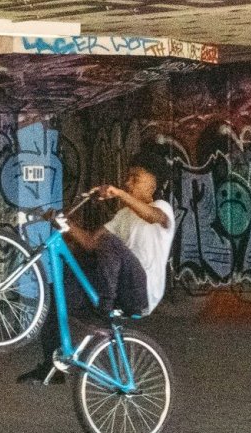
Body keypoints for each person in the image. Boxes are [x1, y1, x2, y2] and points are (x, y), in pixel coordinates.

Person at [17, 150, 175, 385]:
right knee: (54, 294)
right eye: (127, 178)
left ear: (153, 184)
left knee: (109, 242)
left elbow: (153, 217)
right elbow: (91, 241)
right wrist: (64, 223)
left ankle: (105, 303)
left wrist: (119, 193)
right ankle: (52, 365)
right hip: (119, 287)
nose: (128, 183)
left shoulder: (162, 208)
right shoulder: (123, 215)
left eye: (136, 178)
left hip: (141, 291)